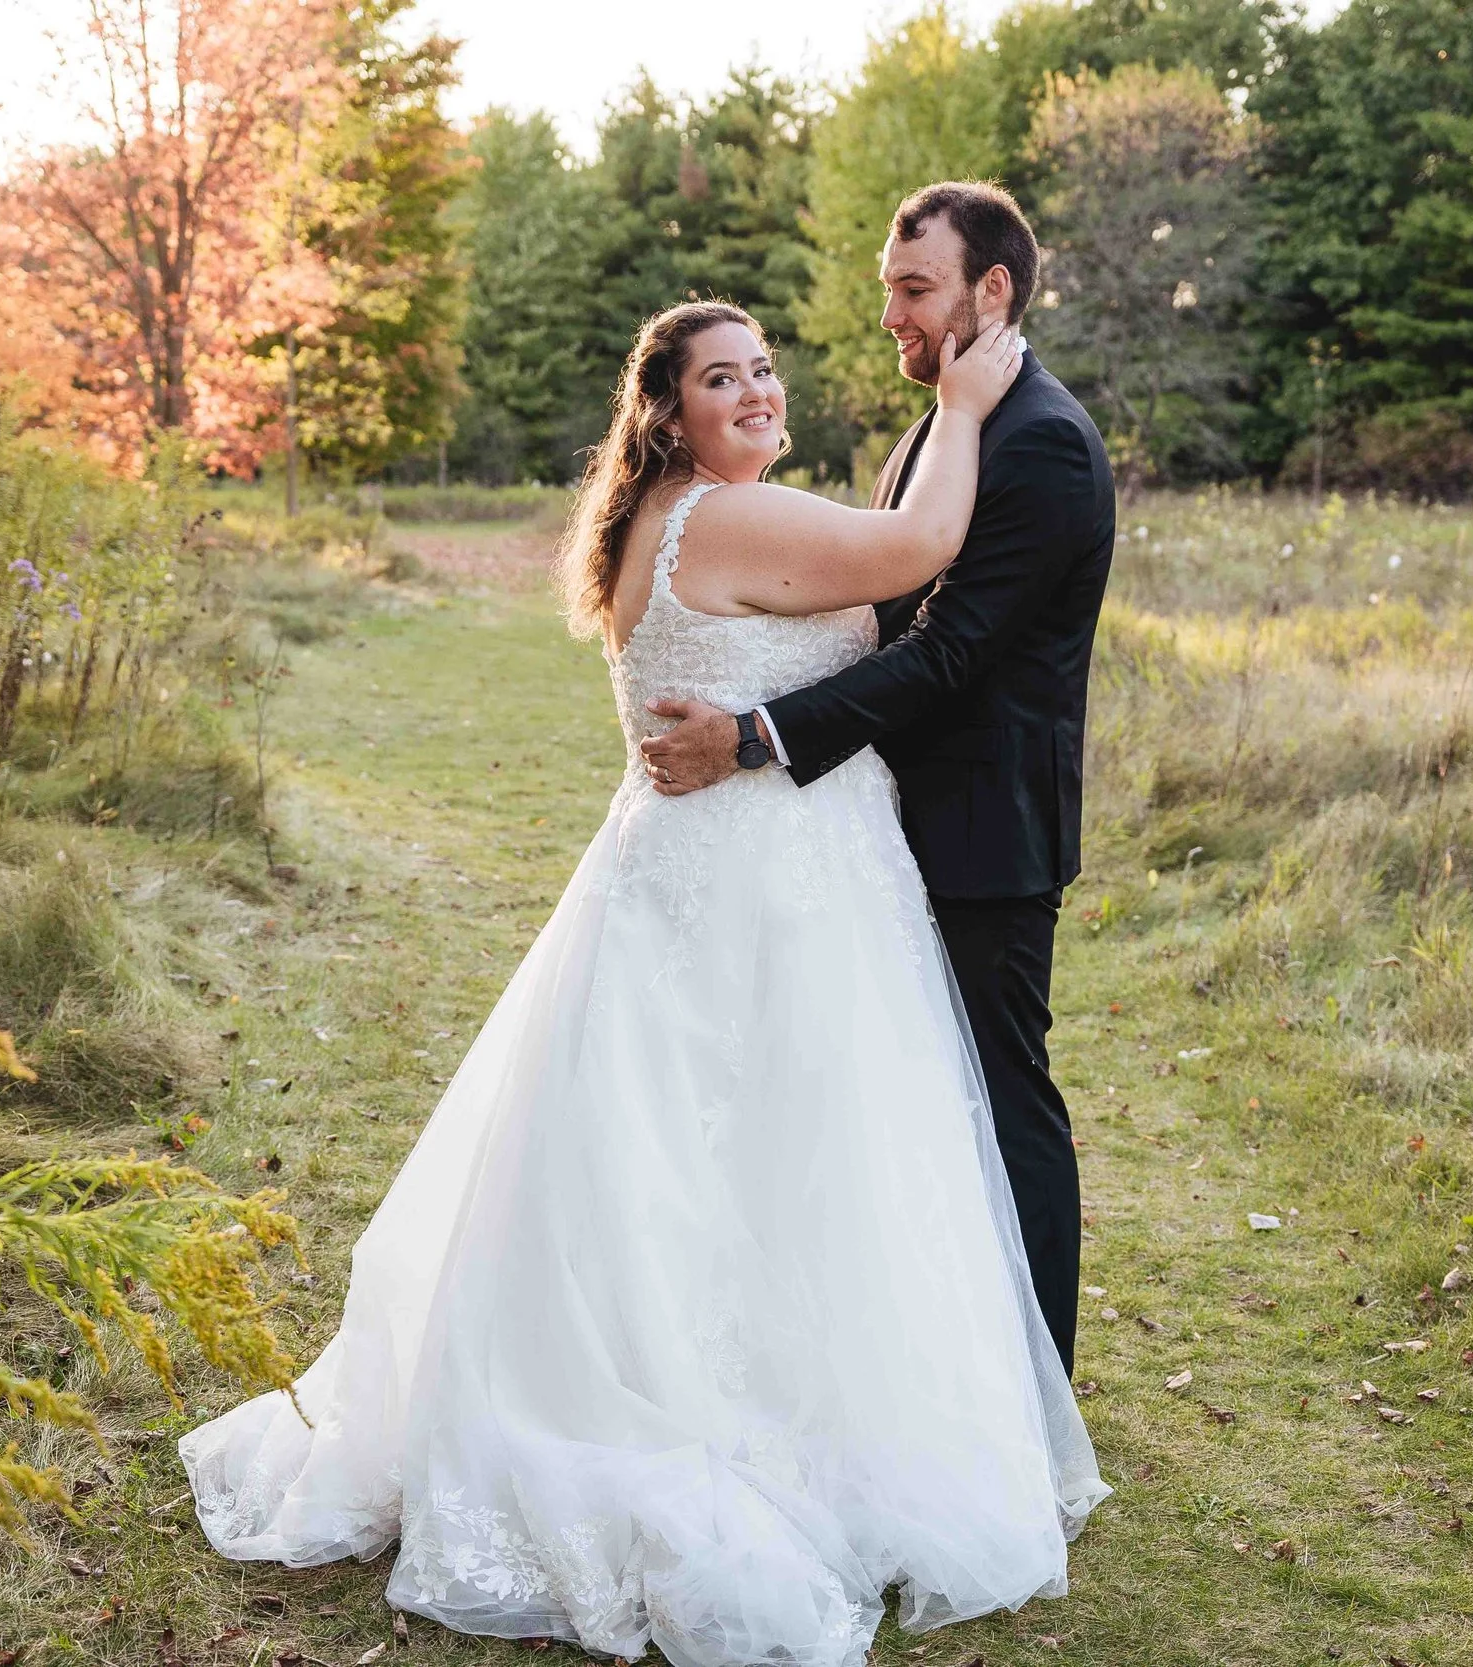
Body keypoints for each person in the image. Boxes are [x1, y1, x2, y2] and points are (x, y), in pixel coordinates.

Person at [179, 289, 1105, 1666]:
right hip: (772, 895)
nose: (757, 393)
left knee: (677, 1161)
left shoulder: (653, 524)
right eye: (722, 379)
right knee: (783, 1153)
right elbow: (920, 547)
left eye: (765, 369)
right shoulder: (727, 520)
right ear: (667, 411)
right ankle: (772, 1421)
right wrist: (964, 409)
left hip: (684, 883)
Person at [641, 180, 1116, 1374]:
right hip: (883, 825)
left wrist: (751, 735)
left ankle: (1033, 1383)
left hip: (983, 828)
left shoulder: (1042, 443)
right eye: (888, 291)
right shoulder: (943, 424)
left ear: (989, 290)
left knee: (1002, 1105)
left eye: (915, 290)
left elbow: (947, 654)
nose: (894, 316)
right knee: (914, 1108)